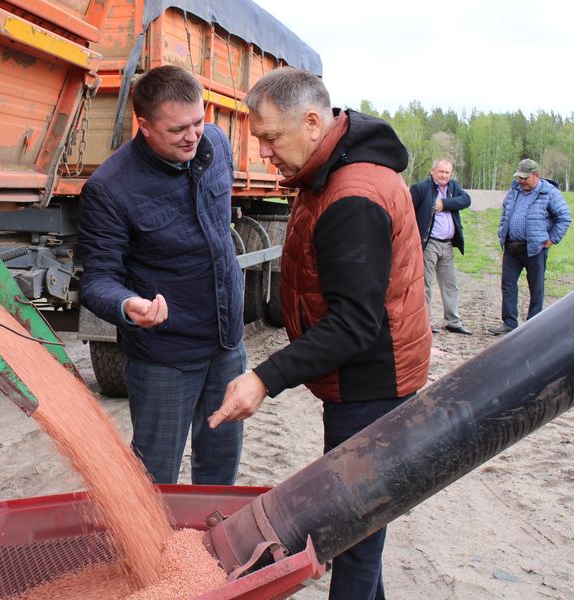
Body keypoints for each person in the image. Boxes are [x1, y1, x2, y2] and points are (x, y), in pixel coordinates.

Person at [207, 67, 431, 600]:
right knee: (361, 518)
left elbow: (355, 323)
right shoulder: (328, 173)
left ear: (312, 122)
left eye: (269, 138)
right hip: (362, 378)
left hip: (371, 384)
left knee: (352, 529)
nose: (264, 153)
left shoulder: (352, 195)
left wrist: (264, 378)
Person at [77, 65, 246, 485]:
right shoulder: (111, 188)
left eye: (198, 122)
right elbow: (97, 279)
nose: (192, 136)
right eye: (177, 130)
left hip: (227, 345)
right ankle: (156, 552)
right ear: (145, 126)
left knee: (220, 470)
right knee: (155, 479)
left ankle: (211, 546)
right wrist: (127, 305)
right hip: (165, 359)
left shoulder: (217, 145)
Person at [488, 158, 571, 335]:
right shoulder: (514, 190)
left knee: (536, 287)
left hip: (535, 248)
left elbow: (564, 217)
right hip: (511, 247)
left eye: (525, 177)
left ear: (537, 175)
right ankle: (509, 323)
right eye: (520, 177)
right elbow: (506, 212)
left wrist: (552, 239)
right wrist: (503, 229)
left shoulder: (550, 193)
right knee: (508, 285)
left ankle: (533, 327)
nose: (522, 181)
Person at [410, 158, 472, 335]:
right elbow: (409, 213)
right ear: (432, 171)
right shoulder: (420, 188)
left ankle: (453, 321)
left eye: (447, 172)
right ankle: (425, 323)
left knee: (450, 284)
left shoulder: (453, 187)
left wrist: (444, 204)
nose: (444, 175)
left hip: (447, 245)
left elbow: (466, 200)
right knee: (425, 285)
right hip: (429, 244)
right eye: (441, 172)